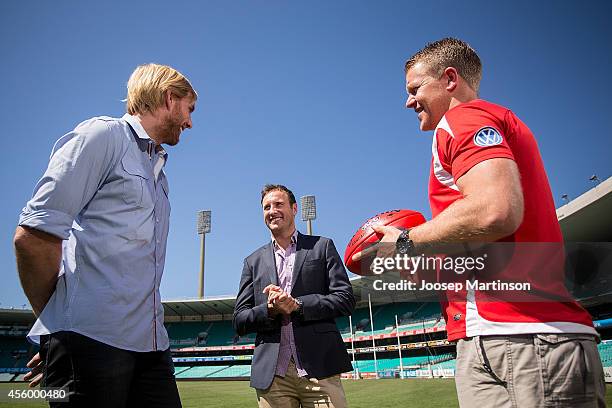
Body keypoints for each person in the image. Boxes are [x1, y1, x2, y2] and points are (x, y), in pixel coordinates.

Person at [355, 38, 604, 407]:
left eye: (415, 89)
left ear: (450, 79)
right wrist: (417, 266)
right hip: (499, 335)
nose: (409, 102)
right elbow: (486, 240)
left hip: (522, 333)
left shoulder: (462, 119)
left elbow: (495, 211)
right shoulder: (491, 122)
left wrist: (407, 239)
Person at [13, 63, 197, 407]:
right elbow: (34, 235)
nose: (190, 122)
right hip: (91, 340)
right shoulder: (103, 136)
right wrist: (58, 330)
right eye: (189, 109)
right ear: (170, 99)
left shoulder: (159, 173)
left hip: (151, 345)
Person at [233, 184, 355, 408]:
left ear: (295, 208)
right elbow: (239, 319)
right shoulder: (252, 261)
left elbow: (345, 299)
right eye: (266, 207)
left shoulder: (322, 246)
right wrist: (270, 310)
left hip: (320, 369)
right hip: (273, 377)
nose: (272, 210)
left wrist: (298, 305)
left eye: (279, 204)